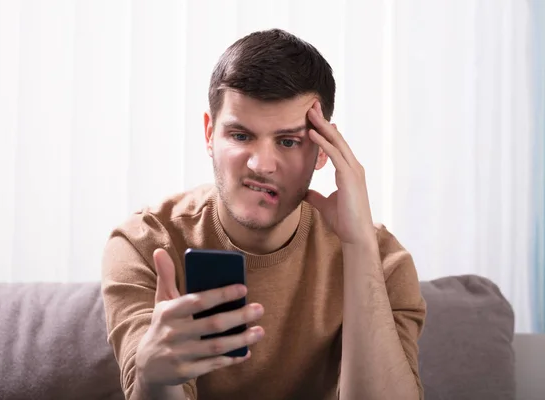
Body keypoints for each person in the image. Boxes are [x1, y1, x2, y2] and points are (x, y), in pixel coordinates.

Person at [101, 28, 426, 400]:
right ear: (210, 134)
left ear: (324, 150)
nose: (260, 165)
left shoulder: (383, 261)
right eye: (240, 136)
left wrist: (358, 246)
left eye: (288, 141)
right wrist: (154, 377)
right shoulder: (144, 244)